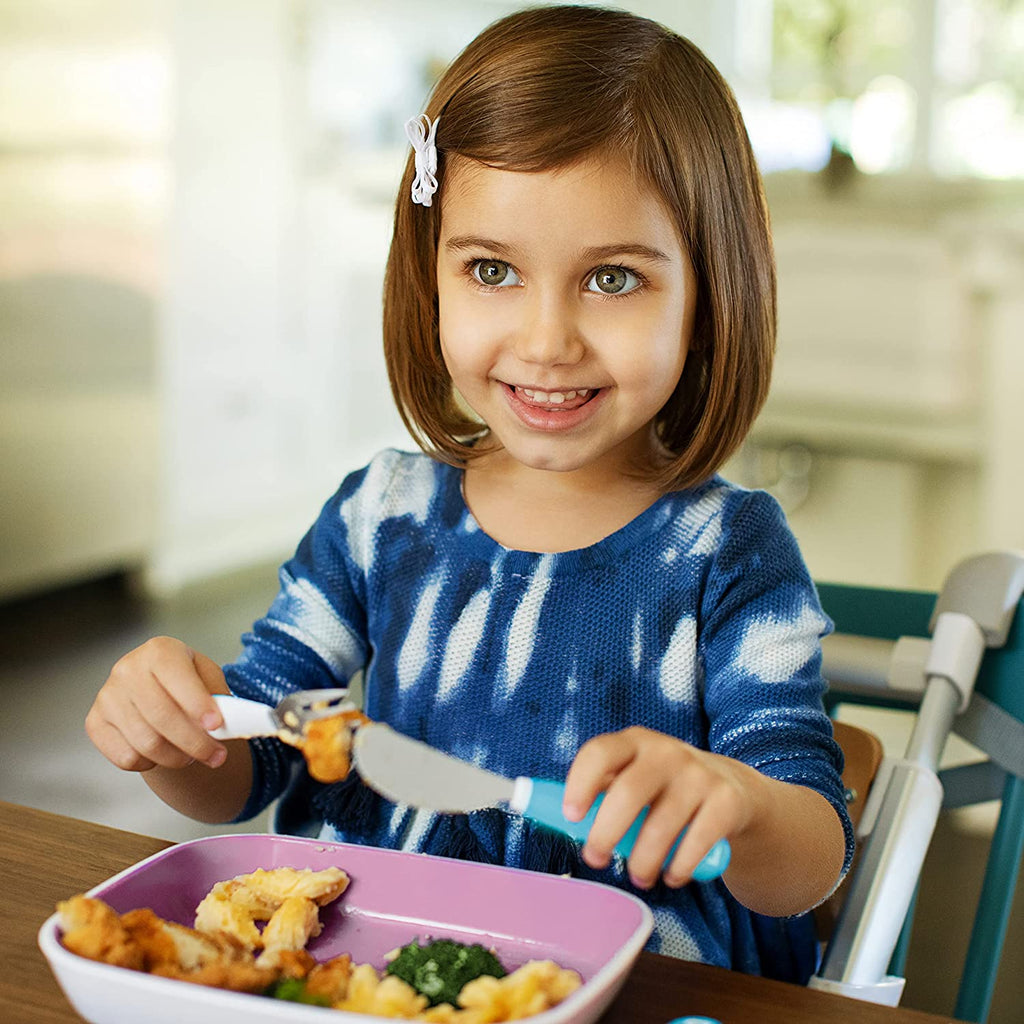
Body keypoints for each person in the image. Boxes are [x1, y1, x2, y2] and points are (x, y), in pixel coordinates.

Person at [86, 4, 853, 982]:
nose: (546, 340)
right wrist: (172, 730)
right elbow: (254, 763)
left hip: (627, 986)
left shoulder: (730, 550)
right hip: (361, 978)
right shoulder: (380, 517)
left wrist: (738, 801)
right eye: (492, 269)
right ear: (430, 277)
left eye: (613, 279)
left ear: (709, 295)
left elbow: (807, 863)